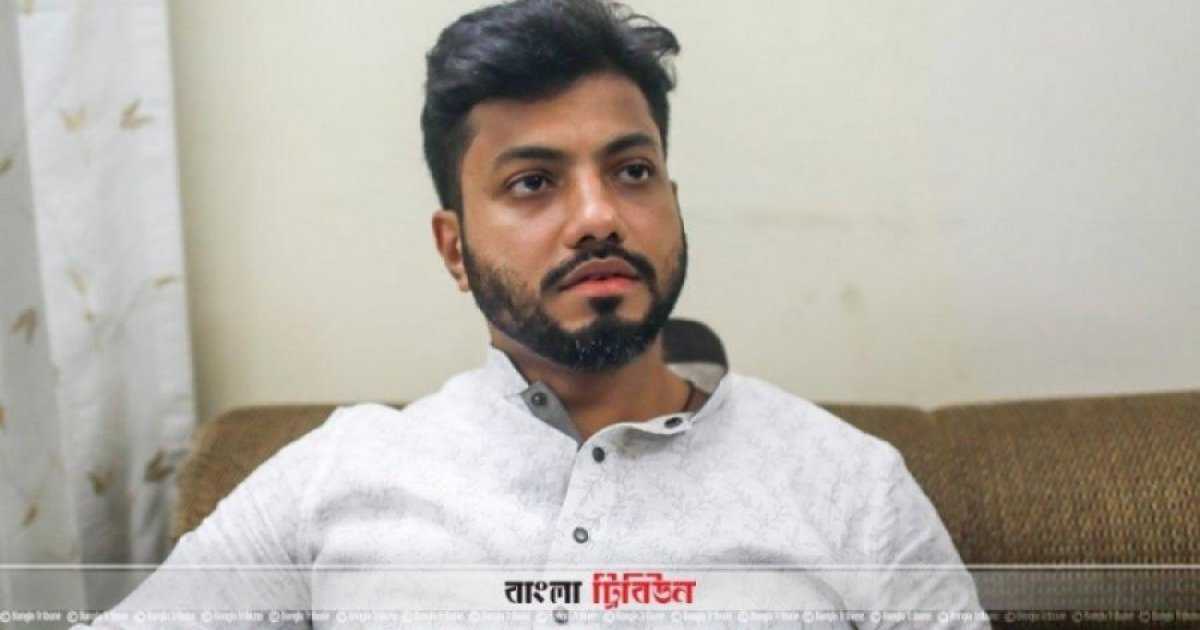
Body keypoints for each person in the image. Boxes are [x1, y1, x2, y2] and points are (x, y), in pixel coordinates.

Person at [74, 1, 987, 627]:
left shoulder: (849, 487)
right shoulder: (339, 475)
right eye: (532, 183)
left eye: (632, 171)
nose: (598, 216)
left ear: (672, 203)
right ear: (453, 248)